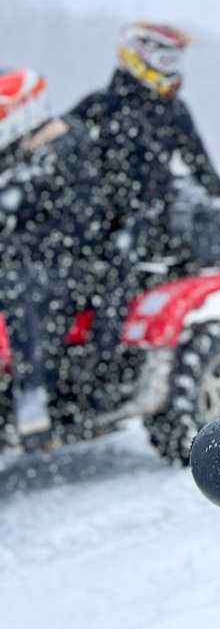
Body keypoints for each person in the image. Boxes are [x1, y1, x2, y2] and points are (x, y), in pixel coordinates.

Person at [0, 69, 116, 438]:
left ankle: (32, 389)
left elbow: (79, 219)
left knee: (18, 287)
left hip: (72, 260)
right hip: (32, 253)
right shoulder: (17, 152)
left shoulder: (66, 147)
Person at [70, 22, 220, 282]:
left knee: (115, 280)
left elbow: (197, 159)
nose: (171, 69)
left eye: (175, 61)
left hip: (147, 217)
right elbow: (61, 144)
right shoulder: (101, 105)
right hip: (95, 212)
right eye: (165, 60)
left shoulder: (173, 110)